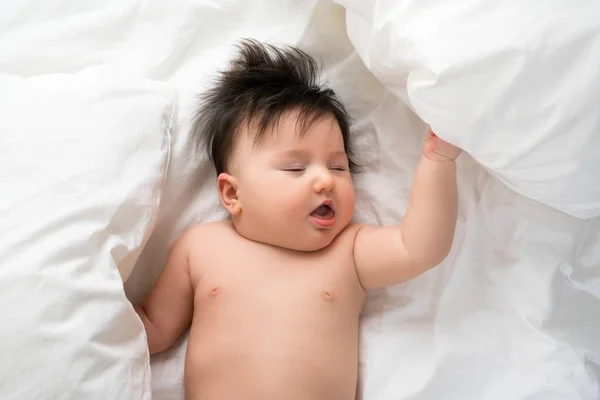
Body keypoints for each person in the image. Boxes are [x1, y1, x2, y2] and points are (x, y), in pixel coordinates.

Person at [134, 39, 462, 400]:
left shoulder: (348, 252)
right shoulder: (200, 247)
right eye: (295, 167)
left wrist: (438, 162)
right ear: (232, 194)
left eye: (338, 167)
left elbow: (420, 247)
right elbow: (152, 328)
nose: (325, 180)